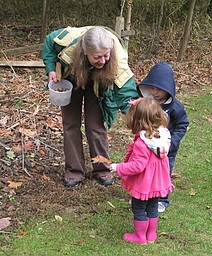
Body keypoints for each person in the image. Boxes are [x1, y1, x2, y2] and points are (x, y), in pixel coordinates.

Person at [42, 26, 139, 187]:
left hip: (99, 82)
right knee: (70, 124)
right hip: (72, 76)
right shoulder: (67, 41)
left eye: (105, 55)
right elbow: (49, 44)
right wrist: (51, 68)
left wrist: (136, 115)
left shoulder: (117, 57)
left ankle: (102, 168)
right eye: (97, 57)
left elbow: (126, 90)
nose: (102, 60)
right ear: (86, 51)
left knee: (95, 125)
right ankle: (74, 171)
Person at [110, 97, 174, 244]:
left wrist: (118, 167)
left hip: (145, 183)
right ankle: (151, 235)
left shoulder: (142, 143)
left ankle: (140, 237)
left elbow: (138, 166)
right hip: (158, 183)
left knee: (138, 208)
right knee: (152, 206)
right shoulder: (162, 136)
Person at [137, 61, 189, 212]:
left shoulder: (175, 107)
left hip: (167, 151)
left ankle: (162, 199)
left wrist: (172, 142)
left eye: (159, 89)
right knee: (146, 173)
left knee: (163, 175)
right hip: (147, 149)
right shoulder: (147, 104)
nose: (155, 92)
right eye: (152, 88)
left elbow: (182, 124)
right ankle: (144, 195)